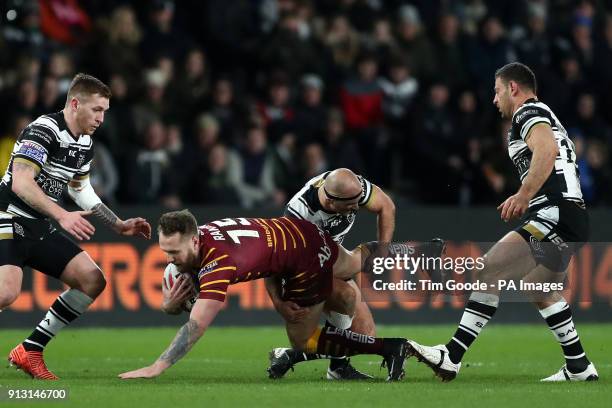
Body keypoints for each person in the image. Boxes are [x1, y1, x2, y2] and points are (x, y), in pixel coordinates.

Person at [407, 62, 598, 382]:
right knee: (539, 287)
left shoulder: (527, 112)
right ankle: (579, 366)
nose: (494, 99)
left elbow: (547, 151)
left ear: (513, 88)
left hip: (554, 212)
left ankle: (450, 356)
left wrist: (523, 195)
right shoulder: (544, 114)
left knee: (488, 269)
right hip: (571, 215)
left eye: (497, 91)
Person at [118, 210, 409, 381]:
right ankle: (404, 251)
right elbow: (264, 257)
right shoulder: (201, 235)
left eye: (174, 252)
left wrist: (157, 367)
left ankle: (388, 347)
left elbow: (196, 325)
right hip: (299, 231)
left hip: (303, 259)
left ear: (194, 240)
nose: (169, 259)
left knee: (301, 340)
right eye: (165, 250)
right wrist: (169, 306)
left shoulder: (218, 263)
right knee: (351, 277)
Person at [0, 73, 152, 380]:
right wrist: (61, 215)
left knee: (92, 280)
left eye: (105, 111)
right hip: (8, 216)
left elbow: (81, 190)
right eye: (97, 110)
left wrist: (118, 224)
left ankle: (31, 349)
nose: (101, 118)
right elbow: (21, 182)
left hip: (39, 225)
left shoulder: (85, 143)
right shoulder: (44, 130)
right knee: (6, 293)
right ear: (74, 103)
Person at [265, 168, 395, 380]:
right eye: (350, 204)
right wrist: (278, 302)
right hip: (302, 275)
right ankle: (338, 368)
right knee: (347, 296)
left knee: (364, 336)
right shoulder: (300, 215)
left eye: (358, 201)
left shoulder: (352, 188)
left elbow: (386, 205)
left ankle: (293, 356)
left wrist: (383, 250)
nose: (356, 207)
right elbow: (273, 260)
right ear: (331, 202)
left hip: (330, 262)